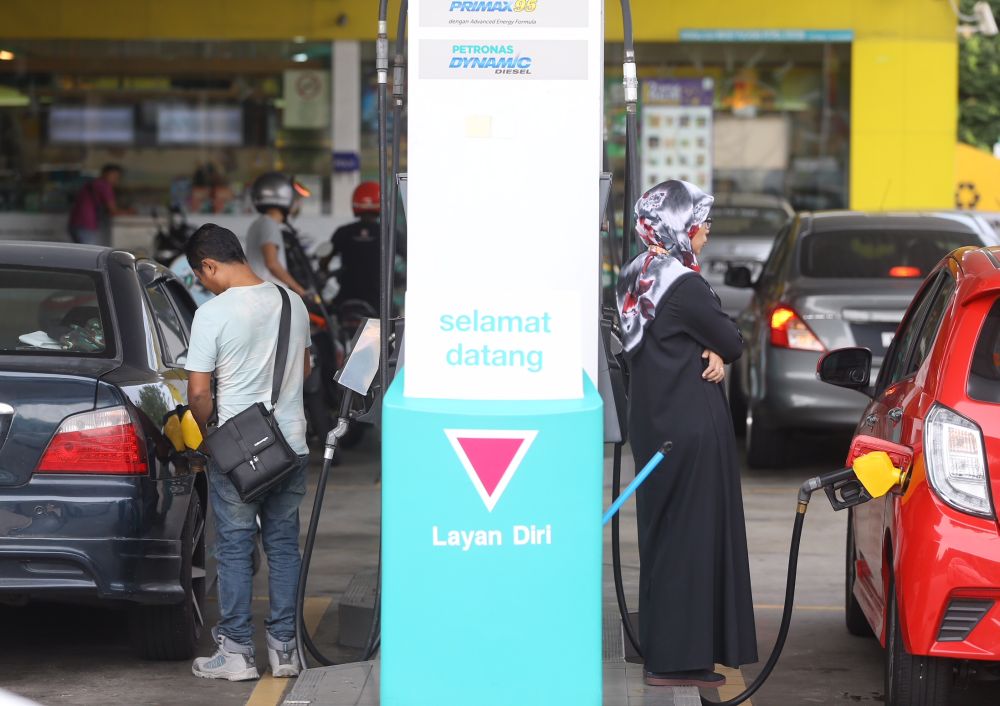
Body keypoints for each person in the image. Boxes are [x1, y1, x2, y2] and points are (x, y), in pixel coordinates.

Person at [616, 180, 758, 688]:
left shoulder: (637, 273)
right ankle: (676, 660)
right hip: (690, 425)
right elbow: (732, 339)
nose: (706, 231)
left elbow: (674, 340)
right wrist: (719, 348)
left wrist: (713, 347)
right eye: (701, 222)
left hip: (656, 423)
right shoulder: (684, 284)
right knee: (691, 539)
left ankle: (665, 647)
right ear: (681, 225)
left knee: (666, 533)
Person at [183, 223, 312, 681]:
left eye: (202, 277)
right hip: (290, 444)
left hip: (238, 452)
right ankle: (285, 651)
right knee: (282, 545)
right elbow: (305, 367)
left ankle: (236, 652)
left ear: (210, 265)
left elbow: (199, 394)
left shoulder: (212, 314)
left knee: (234, 550)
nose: (205, 284)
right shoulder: (290, 302)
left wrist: (205, 435)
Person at [245, 172, 309, 297]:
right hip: (270, 296)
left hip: (260, 295)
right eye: (295, 199)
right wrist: (299, 289)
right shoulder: (269, 225)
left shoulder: (258, 224)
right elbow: (272, 263)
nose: (296, 204)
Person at [328, 181, 382, 311]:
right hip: (379, 302)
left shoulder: (343, 232)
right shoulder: (389, 232)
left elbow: (325, 259)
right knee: (399, 325)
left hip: (345, 298)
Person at [67, 164, 128, 246]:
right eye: (113, 175)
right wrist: (131, 211)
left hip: (75, 224)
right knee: (89, 255)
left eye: (117, 177)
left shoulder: (93, 183)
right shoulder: (104, 186)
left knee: (82, 253)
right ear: (104, 174)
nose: (115, 179)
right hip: (86, 225)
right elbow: (113, 211)